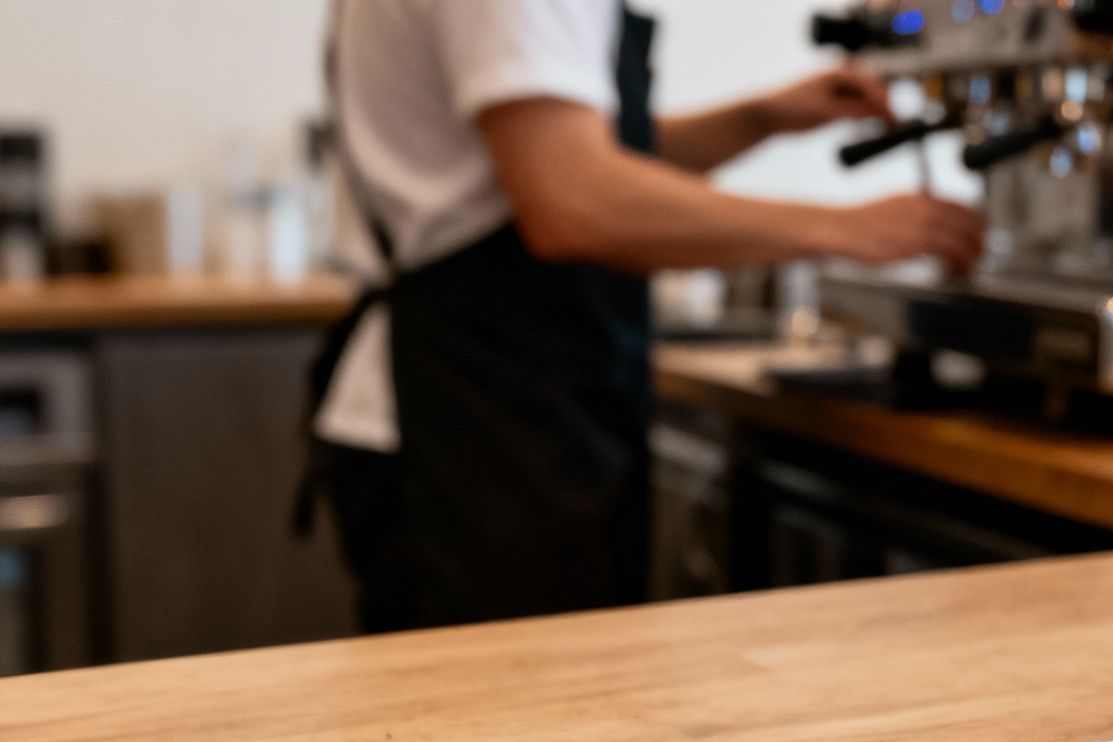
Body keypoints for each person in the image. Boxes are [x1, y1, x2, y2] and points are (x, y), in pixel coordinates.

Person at [310, 0, 984, 633]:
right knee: (512, 730)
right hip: (469, 423)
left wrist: (760, 118)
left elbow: (566, 148)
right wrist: (842, 227)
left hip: (492, 407)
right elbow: (572, 198)